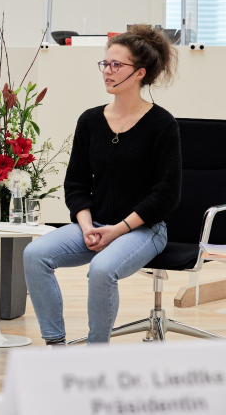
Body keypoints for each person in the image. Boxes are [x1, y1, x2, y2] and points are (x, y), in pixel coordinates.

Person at [24, 25, 181, 345]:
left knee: (101, 270)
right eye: (104, 64)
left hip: (144, 229)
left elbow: (166, 194)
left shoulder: (162, 124)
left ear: (139, 73)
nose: (107, 71)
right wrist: (86, 226)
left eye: (116, 65)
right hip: (93, 224)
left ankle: (97, 353)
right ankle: (55, 345)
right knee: (34, 254)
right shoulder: (91, 121)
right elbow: (76, 183)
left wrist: (117, 229)